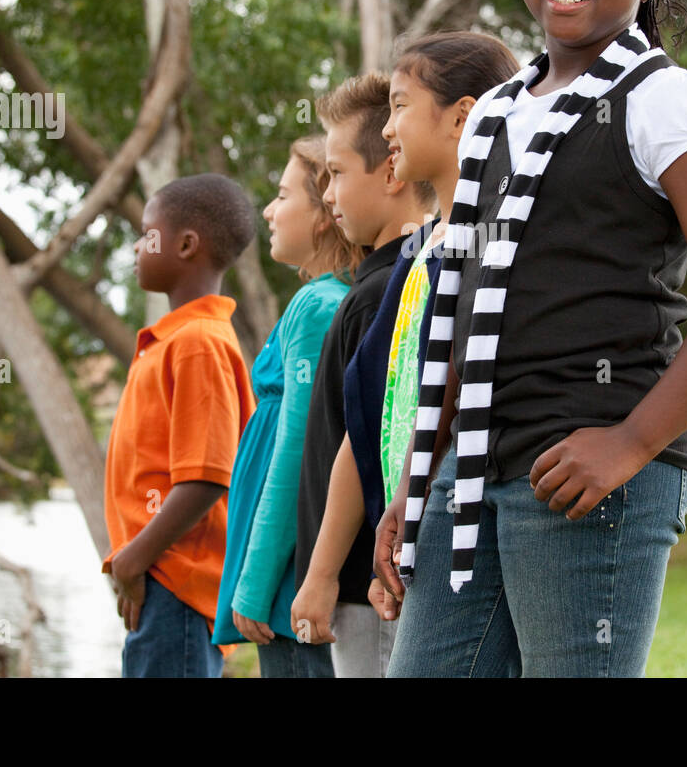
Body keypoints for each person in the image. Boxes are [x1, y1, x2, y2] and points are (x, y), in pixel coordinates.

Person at [374, 0, 687, 677]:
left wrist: (631, 442)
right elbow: (467, 303)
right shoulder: (491, 114)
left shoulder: (667, 99)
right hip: (473, 467)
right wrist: (419, 480)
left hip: (591, 471)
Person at [291, 33, 519, 674]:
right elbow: (371, 420)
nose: (389, 129)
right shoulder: (419, 256)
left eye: (399, 106)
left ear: (464, 117)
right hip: (412, 532)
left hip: (460, 525)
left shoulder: (492, 242)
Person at [287, 71, 435, 677]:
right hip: (361, 581)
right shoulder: (376, 285)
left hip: (368, 582)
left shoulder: (385, 294)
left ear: (392, 171)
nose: (327, 195)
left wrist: (322, 576)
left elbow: (367, 439)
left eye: (338, 173)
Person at [213, 136, 359, 677]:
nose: (270, 211)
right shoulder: (332, 298)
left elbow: (298, 448)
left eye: (281, 195)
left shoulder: (315, 306)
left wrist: (254, 581)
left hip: (287, 575)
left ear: (323, 216)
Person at [103, 173, 259, 678]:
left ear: (188, 244)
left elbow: (207, 477)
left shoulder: (197, 342)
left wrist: (133, 559)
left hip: (177, 582)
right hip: (159, 583)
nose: (136, 245)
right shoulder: (173, 341)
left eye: (147, 233)